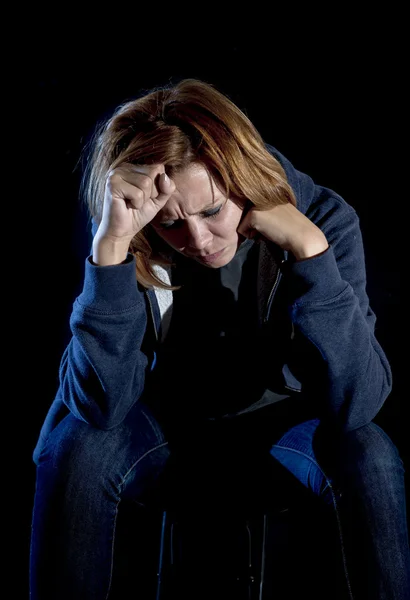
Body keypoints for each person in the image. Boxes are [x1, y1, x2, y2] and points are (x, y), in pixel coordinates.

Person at [29, 78, 410, 599]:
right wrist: (113, 248)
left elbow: (358, 403)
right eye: (170, 225)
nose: (199, 241)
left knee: (371, 452)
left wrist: (311, 254)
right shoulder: (123, 234)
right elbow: (97, 404)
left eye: (211, 211)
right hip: (160, 434)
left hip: (281, 436)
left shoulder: (323, 221)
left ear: (244, 178)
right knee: (77, 442)